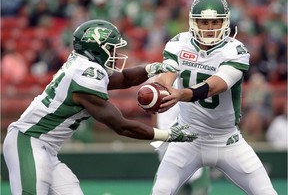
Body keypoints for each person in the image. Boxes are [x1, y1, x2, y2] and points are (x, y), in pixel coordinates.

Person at [3, 19, 198, 195]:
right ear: (97, 48)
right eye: (111, 48)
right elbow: (121, 125)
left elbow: (122, 79)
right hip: (28, 142)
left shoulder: (84, 65)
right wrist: (167, 135)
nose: (115, 53)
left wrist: (149, 69)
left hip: (45, 148)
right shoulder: (84, 75)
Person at [149, 0, 277, 195]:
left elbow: (214, 86)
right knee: (161, 191)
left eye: (215, 22)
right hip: (187, 138)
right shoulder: (178, 43)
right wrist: (161, 89)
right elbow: (168, 74)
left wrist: (180, 94)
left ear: (225, 22)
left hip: (227, 141)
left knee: (267, 192)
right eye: (204, 22)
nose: (209, 28)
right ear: (194, 22)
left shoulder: (235, 50)